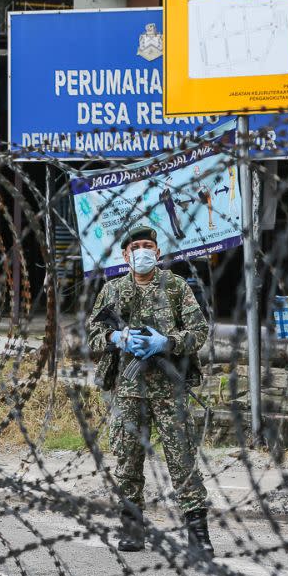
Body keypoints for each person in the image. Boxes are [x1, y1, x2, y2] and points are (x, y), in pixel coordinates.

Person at [88, 225, 213, 555]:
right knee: (127, 463)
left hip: (169, 390)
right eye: (135, 246)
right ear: (125, 254)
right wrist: (116, 338)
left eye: (148, 246)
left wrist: (166, 343)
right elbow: (93, 334)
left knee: (182, 462)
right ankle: (132, 528)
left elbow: (199, 331)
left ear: (157, 253)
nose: (142, 251)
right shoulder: (112, 291)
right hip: (127, 391)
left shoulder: (174, 287)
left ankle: (198, 535)